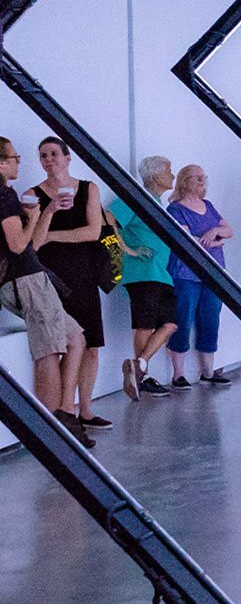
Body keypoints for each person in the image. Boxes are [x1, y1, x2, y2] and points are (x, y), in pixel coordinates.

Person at [0, 137, 90, 445]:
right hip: (26, 280)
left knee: (75, 338)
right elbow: (17, 245)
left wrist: (46, 212)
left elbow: (33, 245)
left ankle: (64, 413)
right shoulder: (4, 195)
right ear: (1, 163)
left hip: (27, 278)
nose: (18, 163)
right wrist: (35, 217)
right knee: (49, 351)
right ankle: (53, 432)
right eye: (14, 158)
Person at [32, 138, 109, 427]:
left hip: (84, 275)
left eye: (54, 153)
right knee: (67, 344)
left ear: (67, 157)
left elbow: (92, 232)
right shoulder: (34, 194)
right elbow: (34, 242)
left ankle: (85, 410)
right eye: (43, 156)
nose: (49, 159)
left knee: (91, 346)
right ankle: (67, 409)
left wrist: (53, 235)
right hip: (52, 278)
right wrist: (50, 215)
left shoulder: (88, 188)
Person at [113, 155, 180, 399]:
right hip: (142, 273)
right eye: (169, 170)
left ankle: (139, 366)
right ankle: (143, 378)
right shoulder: (135, 198)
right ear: (155, 175)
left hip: (162, 273)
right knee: (144, 325)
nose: (172, 175)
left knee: (170, 323)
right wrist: (129, 250)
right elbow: (108, 221)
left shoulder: (157, 203)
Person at [166, 164, 233, 386]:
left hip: (213, 271)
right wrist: (216, 242)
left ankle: (208, 371)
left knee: (211, 317)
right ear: (185, 180)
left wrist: (215, 233)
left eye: (203, 176)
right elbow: (188, 240)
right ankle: (178, 373)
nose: (201, 180)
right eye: (196, 177)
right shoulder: (176, 209)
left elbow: (228, 230)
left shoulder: (208, 205)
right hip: (186, 272)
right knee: (183, 319)